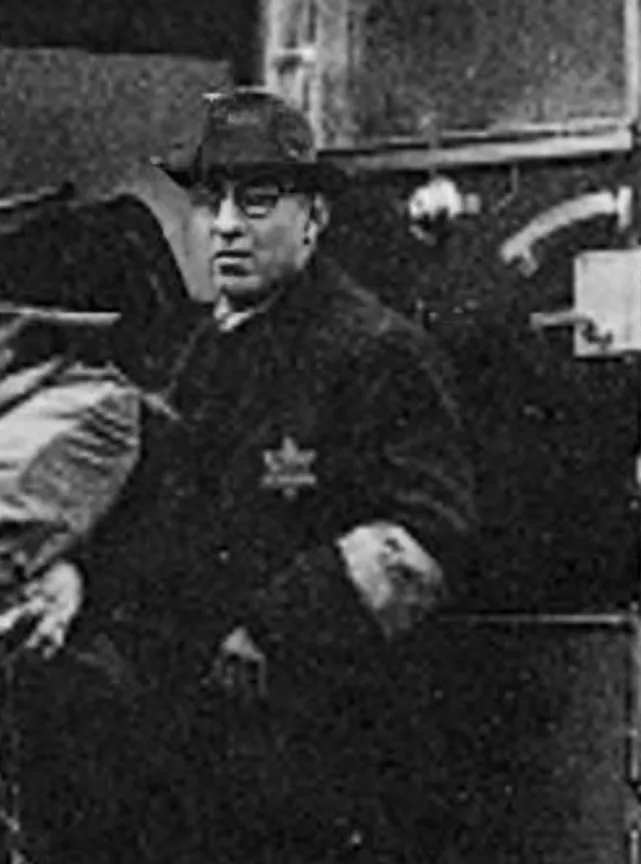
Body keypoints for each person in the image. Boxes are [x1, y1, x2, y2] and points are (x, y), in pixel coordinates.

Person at [2, 87, 477, 864]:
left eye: (256, 203)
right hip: (181, 721)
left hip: (306, 731)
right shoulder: (193, 354)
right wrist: (76, 578)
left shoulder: (373, 354)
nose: (225, 225)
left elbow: (423, 540)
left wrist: (272, 629)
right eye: (209, 202)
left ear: (314, 220)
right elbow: (139, 510)